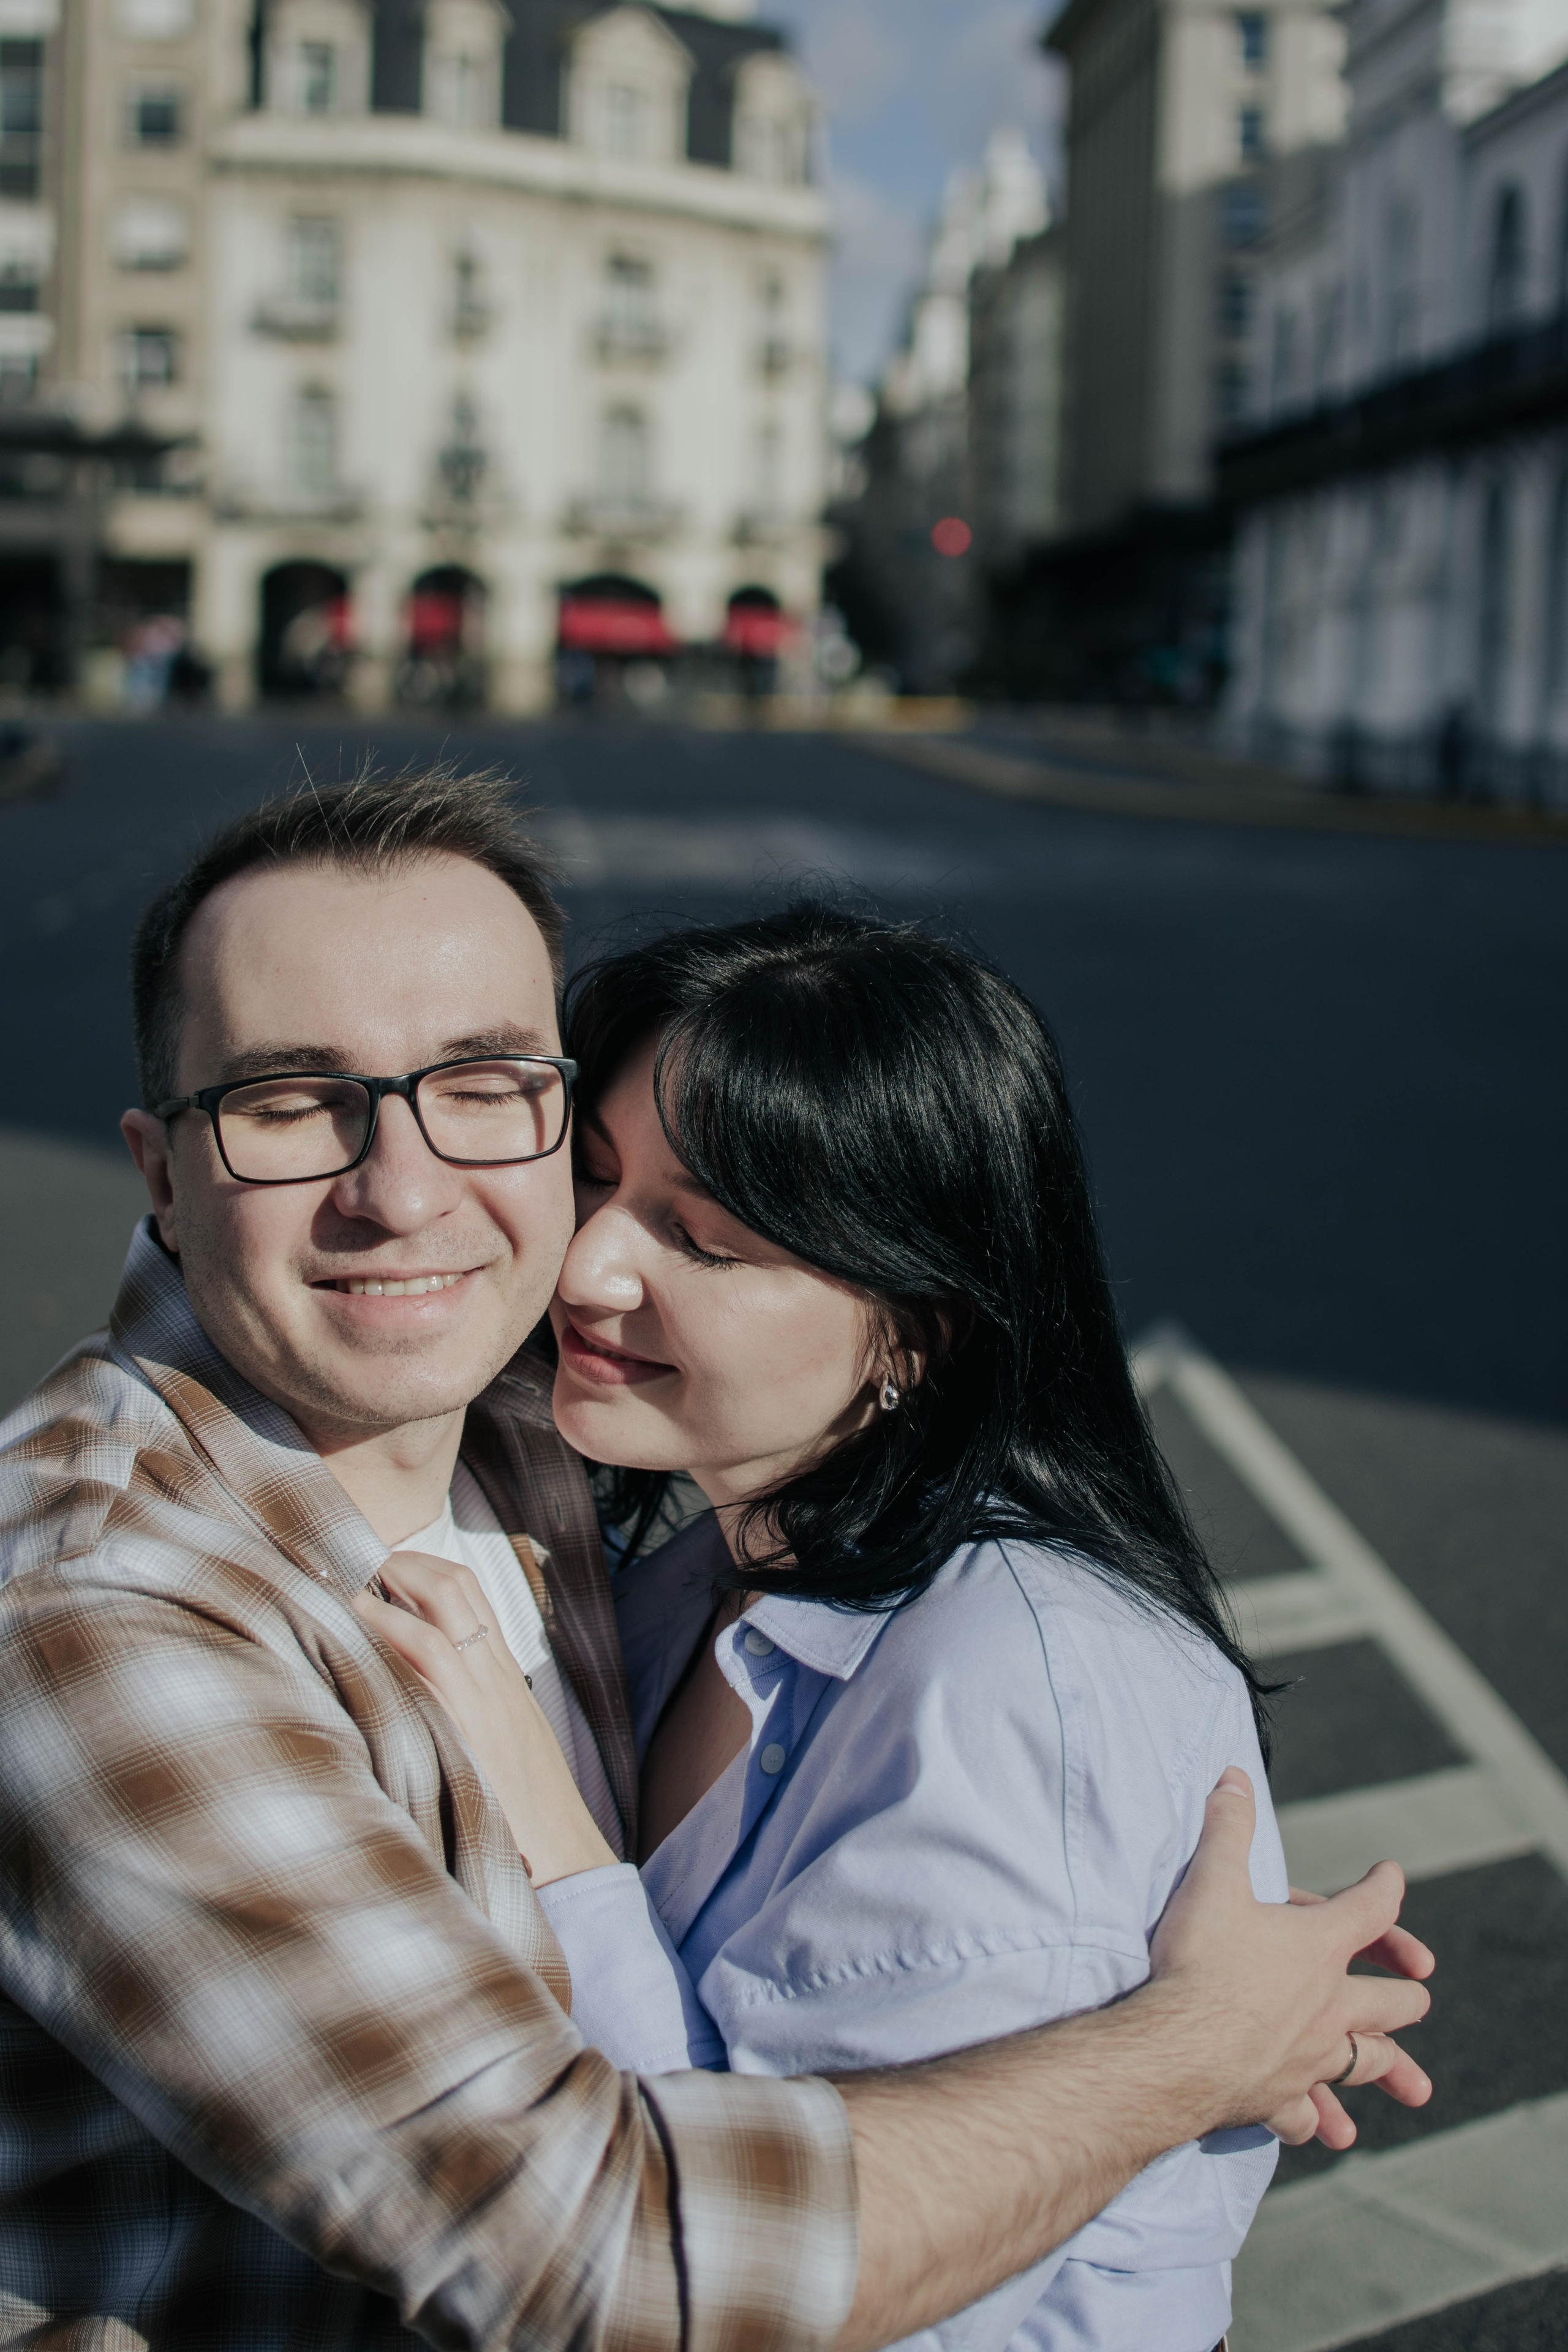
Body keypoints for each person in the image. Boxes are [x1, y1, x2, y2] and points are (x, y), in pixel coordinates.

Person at [0, 771, 1433, 2351]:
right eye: (287, 1101)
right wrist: (1194, 2047)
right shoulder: (105, 1614)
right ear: (157, 1164)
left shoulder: (512, 1401)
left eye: (481, 1084)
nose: (403, 1194)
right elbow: (594, 2259)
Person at [363, 907, 1361, 2352]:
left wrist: (550, 1829)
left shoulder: (1010, 1681)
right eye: (596, 1183)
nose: (586, 1271)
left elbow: (815, 2280)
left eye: (702, 1238)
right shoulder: (697, 1572)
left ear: (918, 1325)